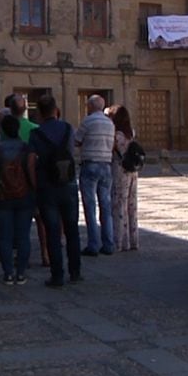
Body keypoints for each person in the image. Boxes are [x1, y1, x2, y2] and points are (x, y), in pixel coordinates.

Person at [29, 94, 81, 286]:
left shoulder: (36, 134)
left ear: (40, 113)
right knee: (72, 229)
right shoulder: (68, 128)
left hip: (46, 185)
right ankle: (75, 271)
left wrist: (34, 184)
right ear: (56, 110)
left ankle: (57, 274)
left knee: (52, 231)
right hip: (68, 183)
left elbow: (31, 160)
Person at [0, 115, 33, 285]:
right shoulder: (26, 148)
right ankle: (21, 273)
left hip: (3, 196)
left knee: (4, 237)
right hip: (24, 196)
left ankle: (8, 273)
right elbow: (31, 171)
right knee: (23, 236)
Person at [76, 94, 115, 256]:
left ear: (91, 106)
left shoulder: (88, 121)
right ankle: (108, 244)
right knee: (106, 206)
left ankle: (93, 244)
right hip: (106, 165)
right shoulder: (110, 123)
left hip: (90, 164)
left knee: (90, 206)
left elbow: (76, 140)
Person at [108, 104, 139, 252]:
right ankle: (134, 240)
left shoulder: (116, 135)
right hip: (132, 170)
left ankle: (119, 242)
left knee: (119, 204)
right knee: (132, 205)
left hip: (119, 169)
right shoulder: (131, 133)